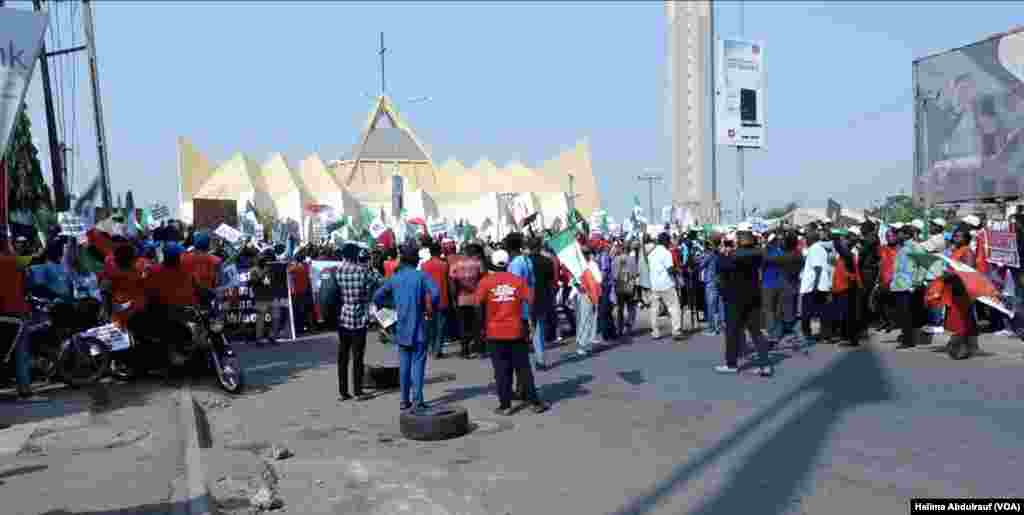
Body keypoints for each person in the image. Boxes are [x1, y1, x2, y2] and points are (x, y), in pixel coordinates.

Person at [475, 249, 548, 415]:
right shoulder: (517, 281)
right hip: (516, 330)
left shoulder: (486, 282)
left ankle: (505, 405)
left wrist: (482, 327)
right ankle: (535, 403)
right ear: (508, 263)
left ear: (492, 263)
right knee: (523, 369)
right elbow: (531, 300)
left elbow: (477, 304)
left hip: (494, 332)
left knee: (501, 370)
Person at [373, 243, 441, 412]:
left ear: (402, 260)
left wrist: (392, 306)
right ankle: (417, 400)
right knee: (417, 365)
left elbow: (377, 296)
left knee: (404, 365)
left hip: (401, 329)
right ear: (416, 260)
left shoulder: (394, 278)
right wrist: (428, 307)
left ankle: (404, 400)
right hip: (419, 328)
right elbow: (436, 293)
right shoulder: (421, 277)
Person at [716, 224, 773, 376]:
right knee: (756, 332)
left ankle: (731, 364)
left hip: (735, 299)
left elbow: (721, 267)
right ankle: (765, 365)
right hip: (753, 297)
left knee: (732, 331)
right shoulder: (757, 253)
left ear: (740, 236)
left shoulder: (734, 255)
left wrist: (723, 252)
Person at [333, 243, 379, 402]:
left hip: (344, 315)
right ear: (356, 256)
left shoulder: (338, 271)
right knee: (358, 356)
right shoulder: (362, 271)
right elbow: (377, 281)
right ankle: (358, 391)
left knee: (343, 356)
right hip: (359, 316)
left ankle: (343, 392)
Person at [142, 242, 200, 370]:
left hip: (180, 310)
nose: (178, 258)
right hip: (166, 312)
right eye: (176, 256)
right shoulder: (155, 270)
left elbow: (196, 286)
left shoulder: (154, 269)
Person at [0, 228, 40, 399]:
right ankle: (24, 389)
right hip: (17, 311)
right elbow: (27, 286)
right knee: (21, 352)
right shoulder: (17, 262)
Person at [450, 243, 486, 358]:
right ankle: (479, 349)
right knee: (477, 325)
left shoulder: (455, 265)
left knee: (463, 325)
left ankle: (465, 350)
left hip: (461, 299)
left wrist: (454, 298)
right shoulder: (478, 264)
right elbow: (483, 280)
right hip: (476, 298)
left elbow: (452, 283)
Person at [799, 226, 834, 343]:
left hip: (814, 286)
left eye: (806, 238)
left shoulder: (814, 249)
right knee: (823, 312)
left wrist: (814, 286)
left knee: (807, 311)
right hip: (821, 285)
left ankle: (808, 334)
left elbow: (818, 268)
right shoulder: (819, 248)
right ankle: (825, 335)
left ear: (811, 239)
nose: (805, 241)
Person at [526, 238, 555, 369]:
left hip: (528, 298)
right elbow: (550, 281)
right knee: (540, 329)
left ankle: (536, 358)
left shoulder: (525, 261)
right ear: (539, 247)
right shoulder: (547, 261)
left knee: (531, 328)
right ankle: (540, 358)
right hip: (542, 298)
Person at [649, 233, 683, 341]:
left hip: (654, 284)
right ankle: (676, 331)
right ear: (666, 241)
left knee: (654, 309)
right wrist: (678, 271)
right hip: (666, 284)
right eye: (669, 241)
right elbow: (670, 269)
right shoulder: (666, 253)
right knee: (673, 307)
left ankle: (655, 332)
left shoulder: (651, 253)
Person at [421, 242, 451, 359]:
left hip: (428, 300)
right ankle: (437, 349)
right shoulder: (444, 265)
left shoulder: (424, 265)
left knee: (430, 326)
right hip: (442, 299)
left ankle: (432, 347)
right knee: (441, 326)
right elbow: (449, 283)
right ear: (439, 252)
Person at [575, 246, 601, 357]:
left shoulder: (591, 265)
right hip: (584, 294)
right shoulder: (582, 266)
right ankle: (582, 344)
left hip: (590, 293)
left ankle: (587, 343)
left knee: (588, 319)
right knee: (585, 319)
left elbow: (599, 279)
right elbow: (573, 280)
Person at [613, 240, 640, 338]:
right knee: (631, 308)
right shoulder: (632, 260)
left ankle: (619, 328)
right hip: (630, 287)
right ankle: (629, 327)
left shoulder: (615, 259)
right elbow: (636, 274)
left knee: (620, 308)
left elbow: (614, 275)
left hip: (619, 287)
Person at [762, 233, 785, 341]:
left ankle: (771, 333)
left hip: (768, 285)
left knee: (769, 310)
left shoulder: (767, 253)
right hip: (780, 284)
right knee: (778, 309)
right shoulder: (781, 252)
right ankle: (778, 333)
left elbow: (762, 266)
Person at [700, 235, 723, 336]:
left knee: (711, 306)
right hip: (719, 281)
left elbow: (701, 265)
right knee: (719, 306)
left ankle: (712, 328)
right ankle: (720, 327)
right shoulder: (720, 253)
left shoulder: (710, 254)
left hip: (711, 281)